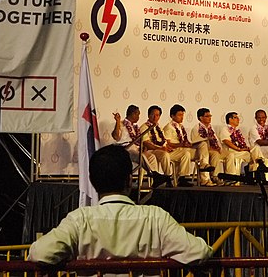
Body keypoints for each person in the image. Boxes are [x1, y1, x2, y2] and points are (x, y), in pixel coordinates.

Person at [28, 145, 213, 275]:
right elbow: (199, 252)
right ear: (129, 180)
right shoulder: (155, 217)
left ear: (93, 182)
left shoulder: (80, 219)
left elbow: (39, 254)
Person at [111, 105, 171, 188]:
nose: (139, 117)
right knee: (141, 156)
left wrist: (142, 147)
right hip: (126, 150)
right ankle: (153, 174)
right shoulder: (121, 124)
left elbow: (138, 141)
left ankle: (156, 179)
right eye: (138, 114)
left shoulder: (135, 127)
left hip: (136, 149)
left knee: (151, 157)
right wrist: (117, 122)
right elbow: (116, 136)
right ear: (133, 114)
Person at [163, 104, 216, 187]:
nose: (182, 117)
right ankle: (182, 178)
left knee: (203, 144)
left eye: (182, 115)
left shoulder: (181, 126)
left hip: (183, 150)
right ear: (172, 116)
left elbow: (185, 141)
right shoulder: (168, 127)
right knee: (186, 152)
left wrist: (188, 144)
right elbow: (168, 143)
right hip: (174, 151)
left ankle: (204, 166)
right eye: (179, 115)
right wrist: (182, 144)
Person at [141, 105, 192, 187]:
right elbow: (146, 143)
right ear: (148, 115)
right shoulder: (144, 127)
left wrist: (167, 147)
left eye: (157, 115)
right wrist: (162, 148)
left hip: (163, 150)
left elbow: (164, 142)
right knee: (165, 154)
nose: (155, 117)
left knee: (186, 153)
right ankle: (167, 177)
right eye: (153, 115)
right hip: (152, 151)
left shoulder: (159, 127)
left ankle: (182, 178)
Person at [218, 112, 265, 183]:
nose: (238, 119)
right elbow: (226, 141)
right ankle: (255, 170)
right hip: (230, 151)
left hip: (239, 152)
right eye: (236, 117)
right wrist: (239, 149)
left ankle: (257, 169)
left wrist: (245, 148)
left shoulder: (237, 130)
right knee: (254, 154)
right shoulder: (225, 129)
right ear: (230, 119)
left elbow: (241, 143)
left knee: (255, 150)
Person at [190, 108, 224, 185]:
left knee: (215, 153)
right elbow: (196, 142)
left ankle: (214, 176)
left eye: (210, 116)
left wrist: (218, 147)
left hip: (208, 151)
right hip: (198, 152)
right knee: (204, 146)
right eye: (207, 116)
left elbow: (216, 140)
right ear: (201, 118)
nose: (209, 118)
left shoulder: (210, 128)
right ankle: (205, 179)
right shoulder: (196, 128)